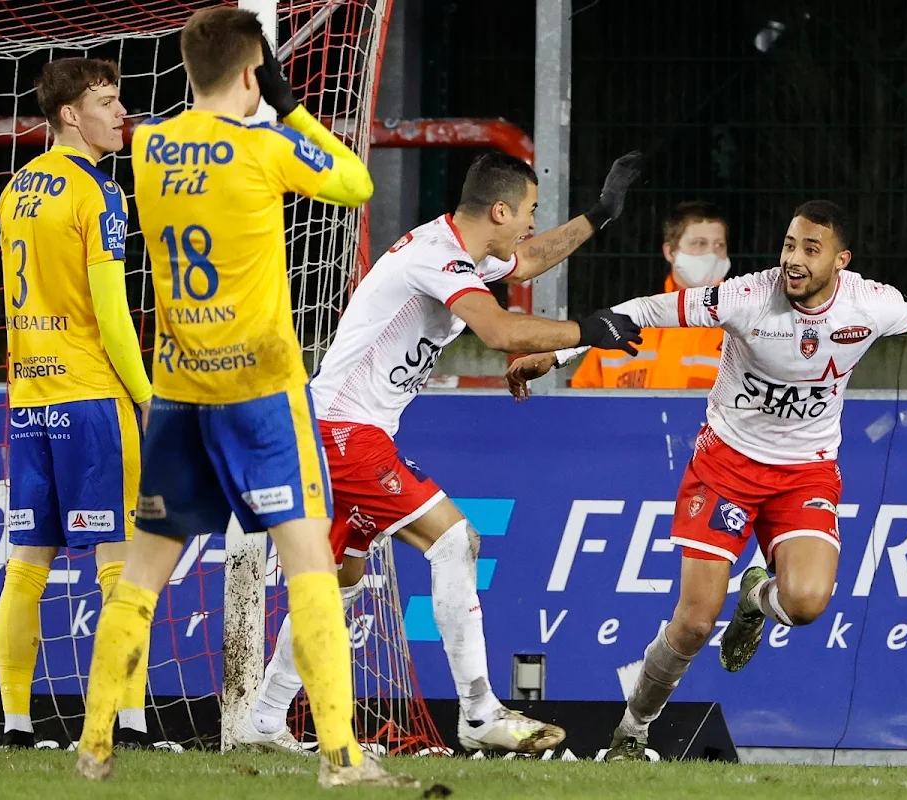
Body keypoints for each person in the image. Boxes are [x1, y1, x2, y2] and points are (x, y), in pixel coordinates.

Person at [507, 199, 907, 760]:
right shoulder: (746, 296)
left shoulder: (868, 304)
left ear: (840, 259)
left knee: (805, 604)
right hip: (724, 466)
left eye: (809, 249)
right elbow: (644, 312)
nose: (793, 260)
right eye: (788, 244)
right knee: (694, 622)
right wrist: (557, 352)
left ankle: (756, 599)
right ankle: (632, 733)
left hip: (805, 474)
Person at [74, 9, 415, 788]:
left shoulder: (151, 147)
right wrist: (290, 108)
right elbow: (356, 183)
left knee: (142, 574)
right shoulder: (267, 146)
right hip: (259, 393)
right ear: (253, 72)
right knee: (308, 566)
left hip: (180, 392)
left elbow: (171, 124)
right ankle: (341, 758)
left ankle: (94, 745)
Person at [234, 150, 644, 755]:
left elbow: (526, 261)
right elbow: (500, 331)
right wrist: (584, 332)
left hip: (336, 430)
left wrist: (600, 215)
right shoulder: (437, 257)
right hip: (340, 432)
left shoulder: (467, 247)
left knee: (338, 582)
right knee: (454, 539)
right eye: (529, 209)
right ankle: (479, 712)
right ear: (500, 209)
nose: (533, 221)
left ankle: (263, 720)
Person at [0, 57, 152, 751]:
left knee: (27, 563)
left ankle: (17, 725)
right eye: (108, 102)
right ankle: (130, 723)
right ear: (69, 115)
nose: (121, 113)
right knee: (122, 563)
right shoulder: (99, 193)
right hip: (92, 398)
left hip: (29, 398)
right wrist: (148, 398)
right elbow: (113, 317)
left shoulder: (15, 189)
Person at [570, 200, 729, 389]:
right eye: (699, 244)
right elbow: (583, 401)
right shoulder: (628, 323)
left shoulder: (742, 326)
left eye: (719, 245)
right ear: (670, 252)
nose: (711, 254)